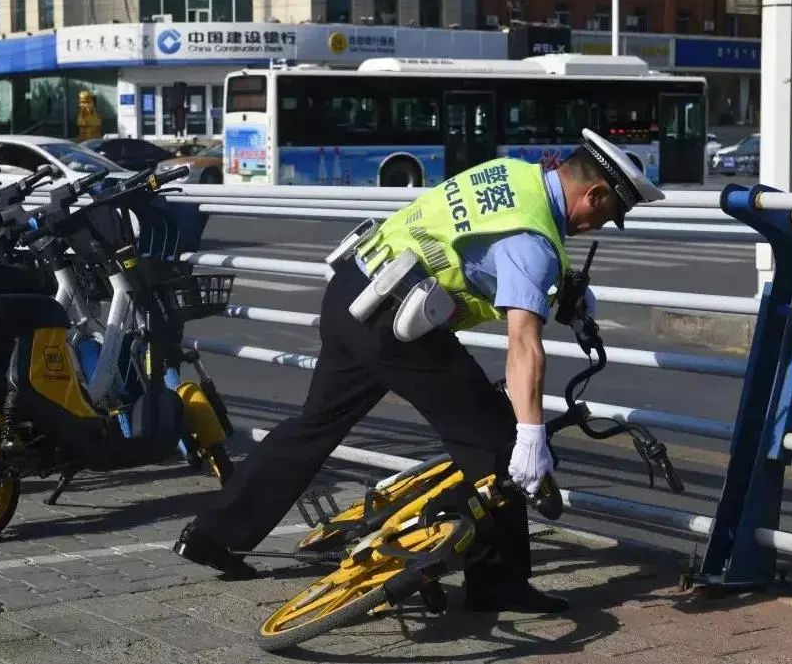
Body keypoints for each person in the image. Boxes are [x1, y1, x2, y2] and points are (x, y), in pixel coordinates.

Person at [175, 128, 664, 613]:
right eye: (606, 214)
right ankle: (498, 584)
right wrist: (532, 435)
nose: (598, 227)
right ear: (595, 192)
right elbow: (523, 343)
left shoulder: (515, 176)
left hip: (354, 290)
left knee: (314, 426)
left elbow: (474, 249)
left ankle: (213, 534)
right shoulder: (533, 240)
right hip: (395, 325)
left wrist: (559, 286)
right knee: (497, 439)